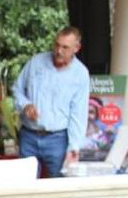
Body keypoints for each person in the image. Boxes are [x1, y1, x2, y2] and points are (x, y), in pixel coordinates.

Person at [12, 26, 90, 177]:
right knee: (23, 186)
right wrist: (25, 105)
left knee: (58, 188)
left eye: (65, 47)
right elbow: (17, 89)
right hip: (29, 134)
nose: (58, 51)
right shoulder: (36, 62)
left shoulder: (80, 74)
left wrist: (74, 147)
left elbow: (78, 114)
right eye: (56, 45)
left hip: (57, 139)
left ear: (76, 48)